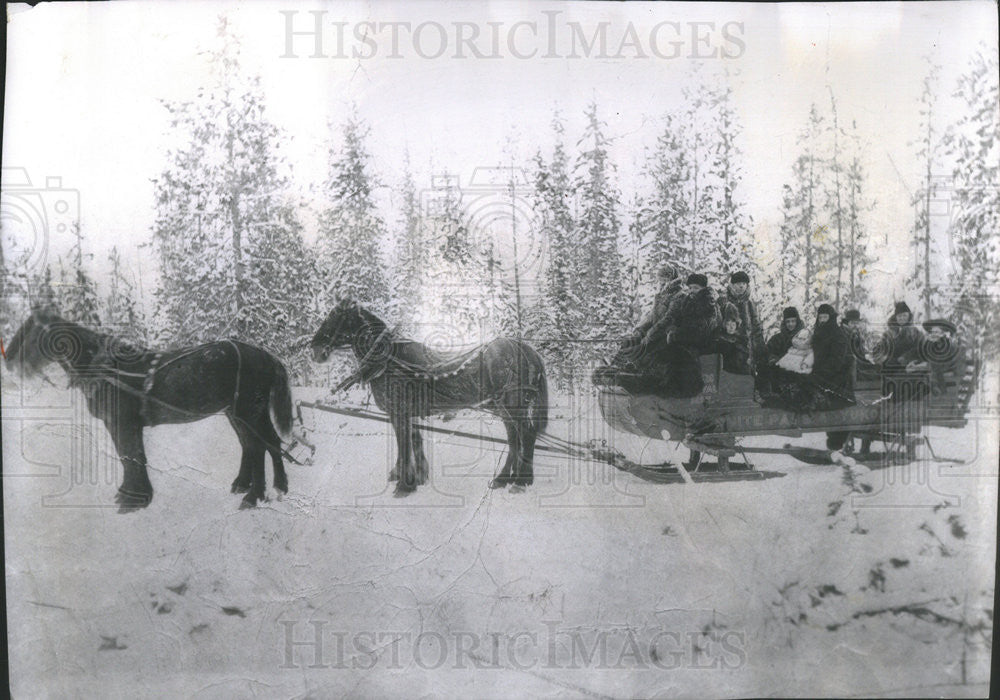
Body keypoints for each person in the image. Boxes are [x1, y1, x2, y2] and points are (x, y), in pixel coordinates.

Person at [908, 318, 966, 398]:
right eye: (932, 332)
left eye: (936, 332)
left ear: (944, 334)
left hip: (947, 379)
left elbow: (942, 364)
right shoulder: (932, 345)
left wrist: (921, 366)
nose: (933, 334)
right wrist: (915, 363)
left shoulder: (950, 346)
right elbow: (926, 359)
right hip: (935, 376)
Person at [718, 271, 765, 368]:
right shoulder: (723, 302)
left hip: (747, 351)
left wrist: (759, 350)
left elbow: (756, 328)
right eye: (738, 284)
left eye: (744, 284)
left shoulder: (749, 304)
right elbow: (718, 324)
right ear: (732, 285)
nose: (741, 286)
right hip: (728, 349)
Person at [873, 301, 924, 370]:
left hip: (910, 364)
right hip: (891, 365)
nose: (902, 318)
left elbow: (920, 348)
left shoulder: (915, 332)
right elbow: (880, 348)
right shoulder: (888, 333)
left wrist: (906, 357)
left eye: (904, 315)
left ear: (909, 316)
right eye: (899, 316)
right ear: (895, 317)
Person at [712, 304, 751, 374]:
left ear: (736, 325)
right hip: (723, 372)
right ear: (724, 325)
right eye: (728, 324)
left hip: (738, 374)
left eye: (733, 324)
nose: (731, 327)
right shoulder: (719, 339)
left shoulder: (742, 340)